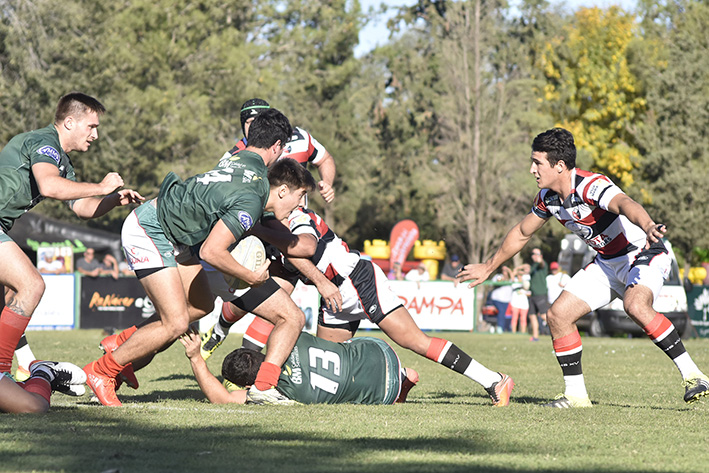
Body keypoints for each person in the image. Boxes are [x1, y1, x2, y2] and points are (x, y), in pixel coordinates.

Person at [457, 127, 709, 408]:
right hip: (607, 261)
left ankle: (694, 375)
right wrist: (489, 267)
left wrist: (648, 225)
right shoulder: (547, 198)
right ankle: (576, 396)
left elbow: (625, 203)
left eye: (537, 162)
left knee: (635, 305)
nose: (532, 169)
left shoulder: (590, 185)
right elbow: (521, 233)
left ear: (560, 165)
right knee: (558, 315)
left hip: (642, 253)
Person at [83, 109, 316, 407]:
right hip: (152, 229)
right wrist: (250, 275)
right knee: (177, 322)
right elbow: (211, 252)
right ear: (277, 147)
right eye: (299, 197)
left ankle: (121, 342)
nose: (300, 205)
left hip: (176, 236)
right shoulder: (254, 192)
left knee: (202, 306)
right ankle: (101, 371)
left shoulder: (239, 158)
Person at [203, 205, 515, 407]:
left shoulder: (298, 218)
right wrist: (238, 293)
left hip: (357, 281)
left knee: (415, 341)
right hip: (334, 299)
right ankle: (401, 380)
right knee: (328, 367)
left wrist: (320, 283)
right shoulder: (269, 233)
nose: (301, 198)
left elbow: (306, 248)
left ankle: (494, 381)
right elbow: (276, 295)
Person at [0, 92, 143, 379]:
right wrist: (102, 186)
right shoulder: (45, 144)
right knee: (31, 286)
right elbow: (50, 186)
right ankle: (3, 372)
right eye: (91, 127)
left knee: (12, 293)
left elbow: (81, 207)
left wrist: (112, 200)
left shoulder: (62, 161)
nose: (96, 135)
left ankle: (25, 362)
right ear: (69, 122)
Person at [181, 330, 419, 405]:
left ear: (246, 384)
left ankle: (399, 384)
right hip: (380, 350)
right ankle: (400, 374)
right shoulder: (286, 333)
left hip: (384, 392)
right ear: (257, 351)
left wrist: (195, 358)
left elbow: (223, 399)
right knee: (338, 345)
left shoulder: (265, 390)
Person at [228, 98, 336, 204]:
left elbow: (325, 159)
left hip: (299, 216)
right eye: (250, 122)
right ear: (243, 126)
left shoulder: (300, 139)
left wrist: (327, 183)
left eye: (260, 121)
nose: (256, 127)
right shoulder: (234, 155)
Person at [527, 248, 549, 340]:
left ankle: (561, 331)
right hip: (533, 294)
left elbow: (542, 263)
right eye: (533, 254)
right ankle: (535, 337)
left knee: (544, 316)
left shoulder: (542, 264)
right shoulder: (533, 266)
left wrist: (539, 258)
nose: (534, 255)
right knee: (532, 315)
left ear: (540, 255)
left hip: (541, 294)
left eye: (536, 254)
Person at [488, 266, 513, 333]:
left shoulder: (510, 279)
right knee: (501, 312)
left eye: (506, 270)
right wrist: (499, 281)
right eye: (503, 270)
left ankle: (498, 327)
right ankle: (500, 327)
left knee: (502, 314)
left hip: (506, 300)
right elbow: (491, 284)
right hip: (497, 298)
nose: (504, 272)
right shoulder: (498, 276)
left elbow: (513, 278)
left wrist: (509, 270)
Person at [508, 266, 530, 335]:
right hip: (515, 303)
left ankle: (523, 332)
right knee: (514, 318)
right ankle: (513, 333)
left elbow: (528, 267)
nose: (520, 276)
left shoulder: (526, 281)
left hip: (524, 303)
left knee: (523, 319)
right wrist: (514, 270)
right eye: (519, 275)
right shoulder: (514, 281)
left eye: (521, 275)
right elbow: (512, 275)